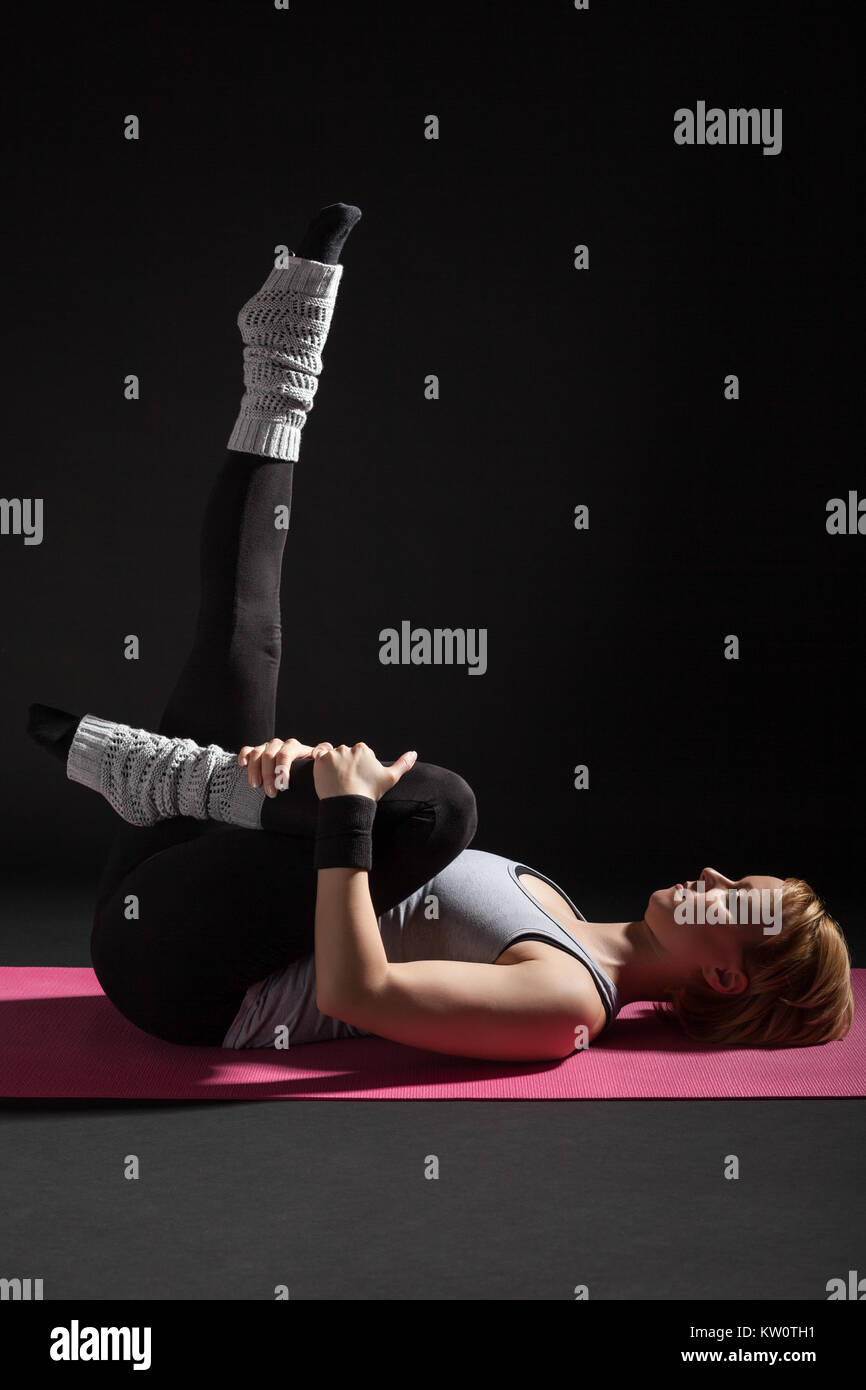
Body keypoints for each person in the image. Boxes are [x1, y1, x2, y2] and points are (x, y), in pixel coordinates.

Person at [28, 204, 855, 1061]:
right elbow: (315, 878)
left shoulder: (567, 1003)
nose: (715, 877)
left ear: (725, 978)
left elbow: (359, 991)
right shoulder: (557, 902)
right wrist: (300, 786)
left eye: (736, 901)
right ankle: (280, 365)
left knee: (440, 804)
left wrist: (343, 806)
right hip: (180, 887)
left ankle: (196, 784)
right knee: (245, 640)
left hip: (183, 980)